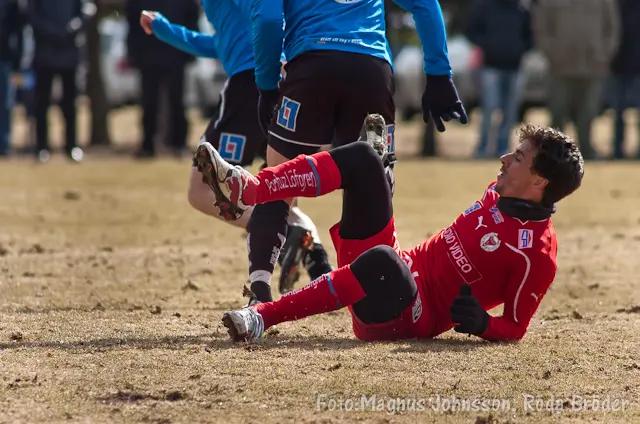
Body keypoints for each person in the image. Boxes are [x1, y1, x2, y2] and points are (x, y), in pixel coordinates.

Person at [195, 114, 584, 343]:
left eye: (516, 158)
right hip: (396, 264)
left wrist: (483, 325)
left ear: (539, 183)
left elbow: (515, 328)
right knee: (362, 158)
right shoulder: (498, 191)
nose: (502, 159)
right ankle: (251, 188)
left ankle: (261, 317)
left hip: (409, 315)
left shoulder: (537, 254)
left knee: (381, 260)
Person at [224, 0, 468, 307]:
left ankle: (258, 292)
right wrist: (438, 74)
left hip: (312, 67)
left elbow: (269, 19)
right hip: (370, 71)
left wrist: (267, 85)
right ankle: (371, 292)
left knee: (276, 184)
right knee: (372, 185)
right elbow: (425, 5)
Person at [138, 1, 333, 293]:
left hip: (249, 85)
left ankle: (288, 232)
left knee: (201, 191)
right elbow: (219, 44)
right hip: (284, 80)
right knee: (281, 189)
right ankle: (319, 264)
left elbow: (264, 21)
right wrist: (164, 29)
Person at [532, 0, 620, 160]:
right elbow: (541, 28)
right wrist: (552, 53)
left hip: (592, 67)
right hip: (560, 67)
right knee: (558, 110)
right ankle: (554, 154)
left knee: (588, 111)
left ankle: (586, 150)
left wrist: (603, 54)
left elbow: (612, 29)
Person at [125, 0, 200, 159]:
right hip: (148, 55)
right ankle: (148, 145)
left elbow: (192, 18)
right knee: (149, 101)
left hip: (177, 53)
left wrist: (191, 51)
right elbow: (132, 23)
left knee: (177, 100)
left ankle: (178, 143)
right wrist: (133, 53)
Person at [27, 0, 95, 163]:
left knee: (70, 104)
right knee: (41, 103)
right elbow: (31, 13)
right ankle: (42, 147)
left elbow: (88, 8)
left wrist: (73, 26)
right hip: (45, 53)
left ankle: (71, 145)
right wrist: (49, 30)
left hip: (70, 53)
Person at [465, 0, 532, 158]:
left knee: (509, 112)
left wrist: (519, 49)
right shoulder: (484, 7)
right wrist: (487, 45)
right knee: (488, 109)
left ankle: (503, 148)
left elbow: (530, 36)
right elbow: (471, 31)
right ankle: (483, 148)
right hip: (490, 66)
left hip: (515, 67)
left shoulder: (522, 9)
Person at [0, 0, 26, 157]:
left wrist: (18, 61)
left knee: (5, 103)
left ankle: (3, 144)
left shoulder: (12, 4)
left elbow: (20, 31)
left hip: (5, 57)